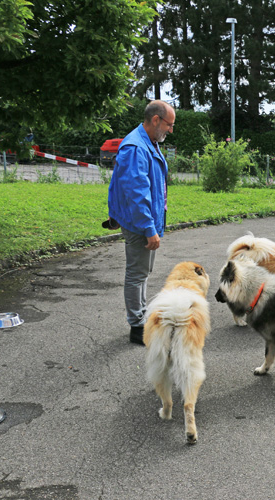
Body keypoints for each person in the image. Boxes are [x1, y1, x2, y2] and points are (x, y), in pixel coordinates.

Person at [108, 100, 175, 345]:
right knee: (137, 274)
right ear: (156, 120)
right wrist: (149, 229)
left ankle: (141, 317)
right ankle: (137, 327)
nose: (170, 130)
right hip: (139, 223)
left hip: (144, 221)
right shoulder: (137, 147)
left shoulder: (149, 143)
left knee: (143, 272)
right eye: (169, 125)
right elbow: (137, 195)